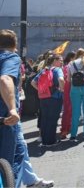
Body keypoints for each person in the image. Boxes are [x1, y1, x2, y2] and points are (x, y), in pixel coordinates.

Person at [0, 29, 22, 180]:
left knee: (21, 150)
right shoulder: (11, 57)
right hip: (6, 120)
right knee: (7, 164)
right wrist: (12, 109)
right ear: (15, 44)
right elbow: (5, 79)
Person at [31, 54, 65, 146]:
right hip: (55, 98)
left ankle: (44, 140)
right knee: (53, 119)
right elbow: (61, 80)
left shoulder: (44, 70)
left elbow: (33, 82)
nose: (62, 62)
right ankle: (50, 141)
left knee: (45, 118)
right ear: (54, 61)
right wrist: (62, 89)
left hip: (43, 97)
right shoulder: (58, 70)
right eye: (60, 60)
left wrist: (41, 90)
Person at [60, 51, 75, 139]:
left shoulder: (65, 66)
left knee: (68, 110)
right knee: (68, 110)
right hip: (69, 89)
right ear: (72, 58)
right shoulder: (69, 66)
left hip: (67, 89)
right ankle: (64, 130)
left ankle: (66, 128)